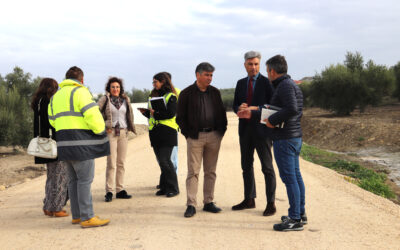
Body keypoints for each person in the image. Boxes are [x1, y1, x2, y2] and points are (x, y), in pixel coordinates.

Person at [48, 66, 110, 228]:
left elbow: (52, 120)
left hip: (64, 145)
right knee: (84, 180)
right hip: (82, 144)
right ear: (81, 80)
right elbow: (93, 116)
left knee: (73, 181)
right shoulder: (81, 92)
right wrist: (100, 130)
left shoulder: (56, 96)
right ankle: (88, 217)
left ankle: (77, 216)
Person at [176, 62, 227, 218]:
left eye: (211, 75)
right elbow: (180, 118)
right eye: (207, 75)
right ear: (198, 75)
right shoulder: (186, 94)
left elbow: (222, 114)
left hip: (214, 137)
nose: (210, 78)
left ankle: (208, 202)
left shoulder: (215, 93)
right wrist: (188, 134)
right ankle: (191, 204)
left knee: (211, 171)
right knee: (193, 172)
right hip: (195, 137)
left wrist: (220, 132)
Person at [264, 55, 306, 231]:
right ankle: (300, 214)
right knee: (295, 177)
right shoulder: (291, 85)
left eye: (267, 71)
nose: (267, 75)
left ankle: (295, 218)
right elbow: (297, 110)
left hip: (285, 138)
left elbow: (292, 109)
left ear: (273, 71)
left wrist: (272, 120)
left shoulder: (285, 86)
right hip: (293, 136)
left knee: (290, 179)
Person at [232, 51, 277, 216]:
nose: (253, 67)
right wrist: (240, 108)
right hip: (245, 130)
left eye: (256, 64)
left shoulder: (268, 83)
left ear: (260, 65)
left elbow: (273, 108)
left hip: (263, 131)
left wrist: (255, 109)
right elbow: (235, 105)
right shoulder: (240, 83)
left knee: (267, 167)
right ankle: (249, 199)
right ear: (245, 65)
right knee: (246, 166)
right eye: (250, 64)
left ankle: (271, 203)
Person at [31, 78, 68, 217]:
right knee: (59, 175)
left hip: (42, 143)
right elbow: (52, 123)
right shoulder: (49, 102)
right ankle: (56, 208)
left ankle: (48, 206)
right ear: (50, 89)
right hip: (53, 143)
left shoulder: (38, 102)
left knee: (51, 176)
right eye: (55, 88)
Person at [139, 72, 179, 197]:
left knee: (165, 160)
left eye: (155, 81)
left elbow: (170, 114)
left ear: (163, 82)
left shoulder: (171, 96)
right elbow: (152, 115)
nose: (153, 84)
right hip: (155, 132)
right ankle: (164, 186)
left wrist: (154, 113)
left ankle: (174, 188)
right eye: (153, 82)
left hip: (167, 132)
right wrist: (146, 112)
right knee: (161, 162)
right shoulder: (153, 95)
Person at [98, 77, 136, 202]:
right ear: (109, 88)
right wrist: (105, 126)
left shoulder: (125, 99)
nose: (115, 89)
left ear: (121, 88)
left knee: (121, 163)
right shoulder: (105, 99)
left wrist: (130, 127)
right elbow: (96, 114)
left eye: (118, 87)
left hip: (123, 133)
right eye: (113, 87)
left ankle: (120, 190)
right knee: (111, 163)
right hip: (111, 133)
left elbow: (129, 114)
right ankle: (109, 191)